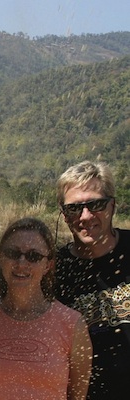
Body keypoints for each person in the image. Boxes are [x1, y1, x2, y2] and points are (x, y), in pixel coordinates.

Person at [0, 217, 92, 400]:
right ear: (0, 258)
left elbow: (77, 397)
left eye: (33, 256)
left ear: (48, 265)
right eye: (13, 253)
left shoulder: (72, 325)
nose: (21, 263)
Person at [54, 160, 130, 399]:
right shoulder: (52, 270)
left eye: (96, 204)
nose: (85, 216)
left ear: (112, 206)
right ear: (64, 215)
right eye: (74, 208)